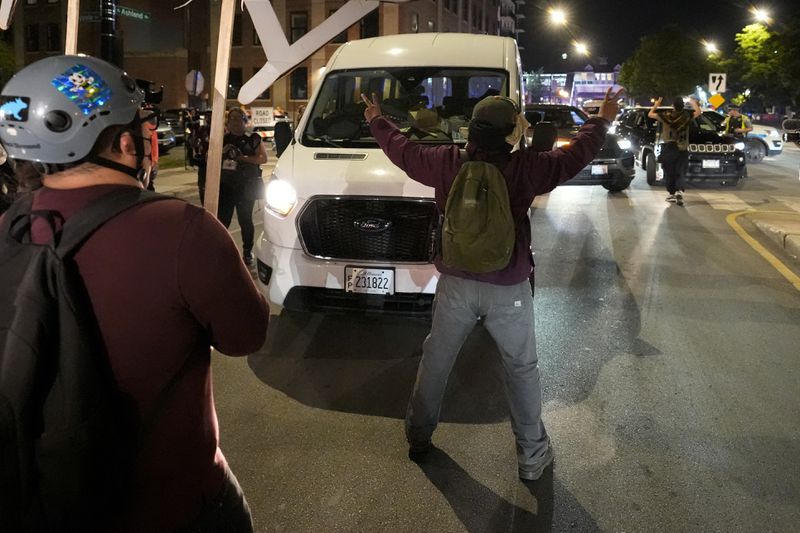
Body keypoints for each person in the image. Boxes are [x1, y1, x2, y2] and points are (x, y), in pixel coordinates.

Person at [0, 55, 268, 531]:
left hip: (47, 500)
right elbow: (245, 336)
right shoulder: (184, 230)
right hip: (176, 503)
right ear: (126, 142)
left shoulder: (9, 229)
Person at [361, 87, 623, 481]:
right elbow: (575, 156)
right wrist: (601, 119)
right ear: (509, 133)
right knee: (521, 368)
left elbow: (401, 149)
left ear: (473, 128)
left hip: (456, 283)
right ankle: (532, 457)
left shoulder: (445, 160)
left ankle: (419, 435)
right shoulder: (527, 168)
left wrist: (377, 120)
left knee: (437, 360)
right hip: (508, 286)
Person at [219, 107, 268, 264]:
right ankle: (221, 250)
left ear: (244, 120)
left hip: (245, 186)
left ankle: (247, 251)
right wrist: (220, 152)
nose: (234, 122)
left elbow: (263, 158)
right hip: (226, 185)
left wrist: (242, 158)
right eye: (231, 118)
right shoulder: (222, 139)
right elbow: (210, 159)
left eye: (238, 118)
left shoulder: (252, 138)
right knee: (222, 220)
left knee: (245, 220)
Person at [648, 96, 701, 206]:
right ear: (683, 106)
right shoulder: (686, 116)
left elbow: (650, 114)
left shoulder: (666, 116)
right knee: (680, 170)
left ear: (673, 106)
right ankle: (679, 191)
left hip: (669, 147)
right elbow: (698, 112)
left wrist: (657, 104)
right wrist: (693, 102)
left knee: (669, 171)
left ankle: (671, 193)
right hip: (682, 148)